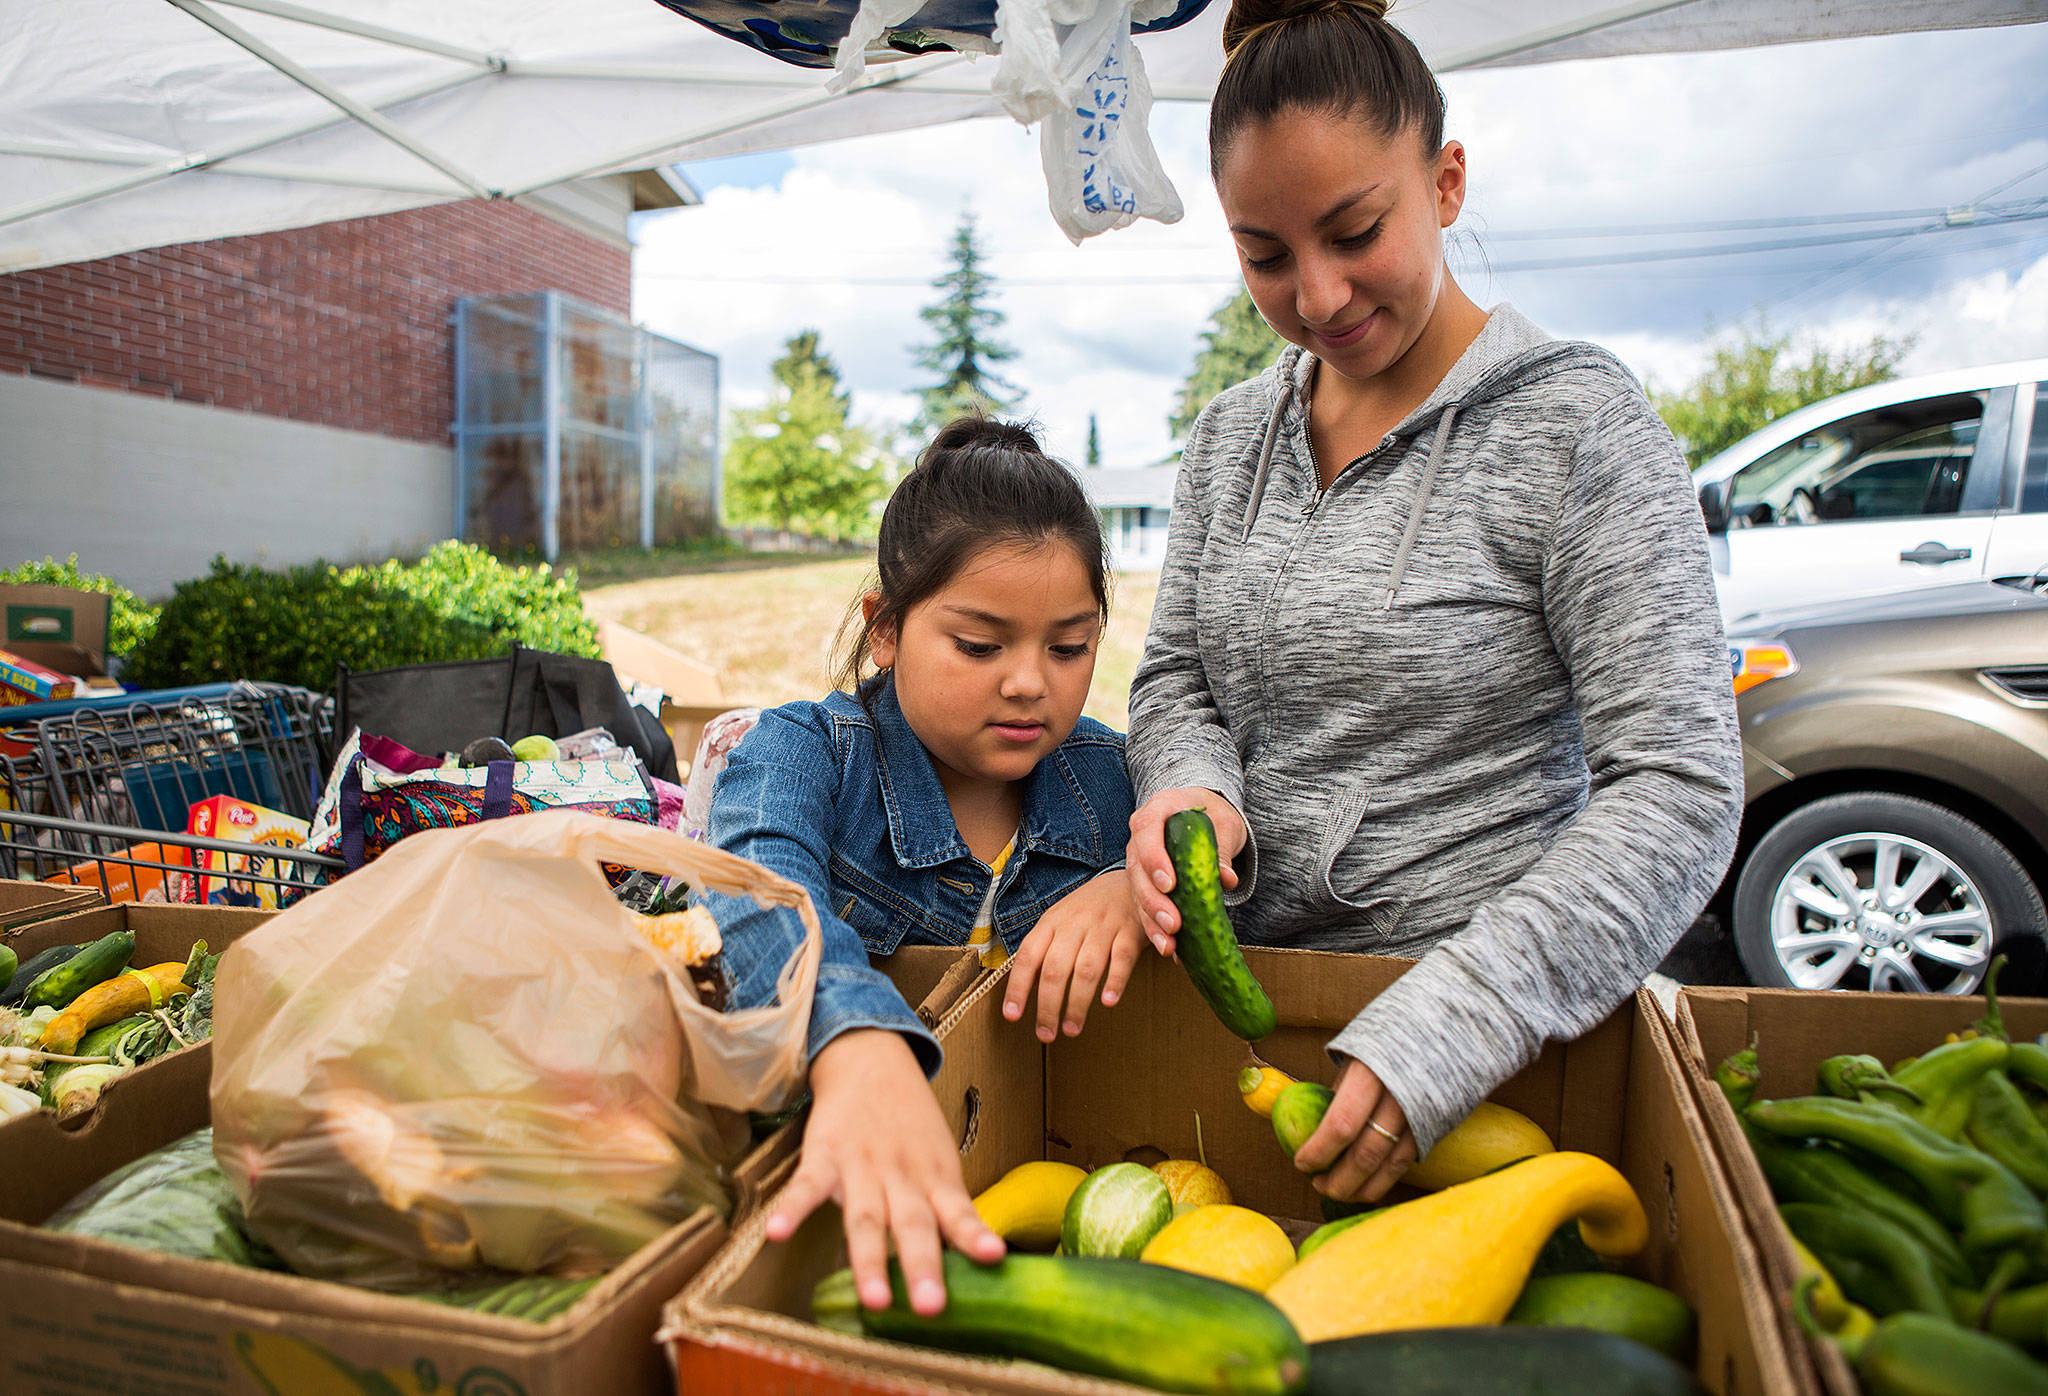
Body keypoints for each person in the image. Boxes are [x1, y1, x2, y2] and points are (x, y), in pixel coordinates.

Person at [1124, 0, 1744, 1209]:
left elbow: (1676, 783)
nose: (1315, 295)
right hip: (1249, 1038)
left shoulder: (1578, 428)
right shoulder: (1226, 440)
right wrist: (1190, 785)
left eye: (1355, 231)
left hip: (1501, 1066)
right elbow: (1174, 678)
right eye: (1263, 254)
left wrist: (1455, 1024)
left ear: (1445, 181)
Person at [704, 417, 1143, 1315]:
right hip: (836, 1169)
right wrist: (853, 1040)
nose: (1031, 682)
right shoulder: (803, 753)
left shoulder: (1115, 780)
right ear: (887, 630)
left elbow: (1222, 852)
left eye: (1070, 647)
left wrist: (1134, 885)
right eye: (981, 647)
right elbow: (753, 889)